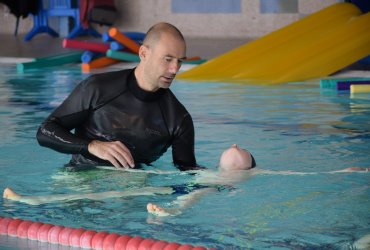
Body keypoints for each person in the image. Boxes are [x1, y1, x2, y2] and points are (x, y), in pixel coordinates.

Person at [36, 22, 202, 171]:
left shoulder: (178, 120)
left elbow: (188, 174)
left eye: (179, 61)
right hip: (82, 179)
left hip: (132, 194)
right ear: (143, 53)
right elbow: (45, 131)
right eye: (168, 59)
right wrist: (91, 146)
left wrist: (224, 171)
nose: (175, 69)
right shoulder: (98, 88)